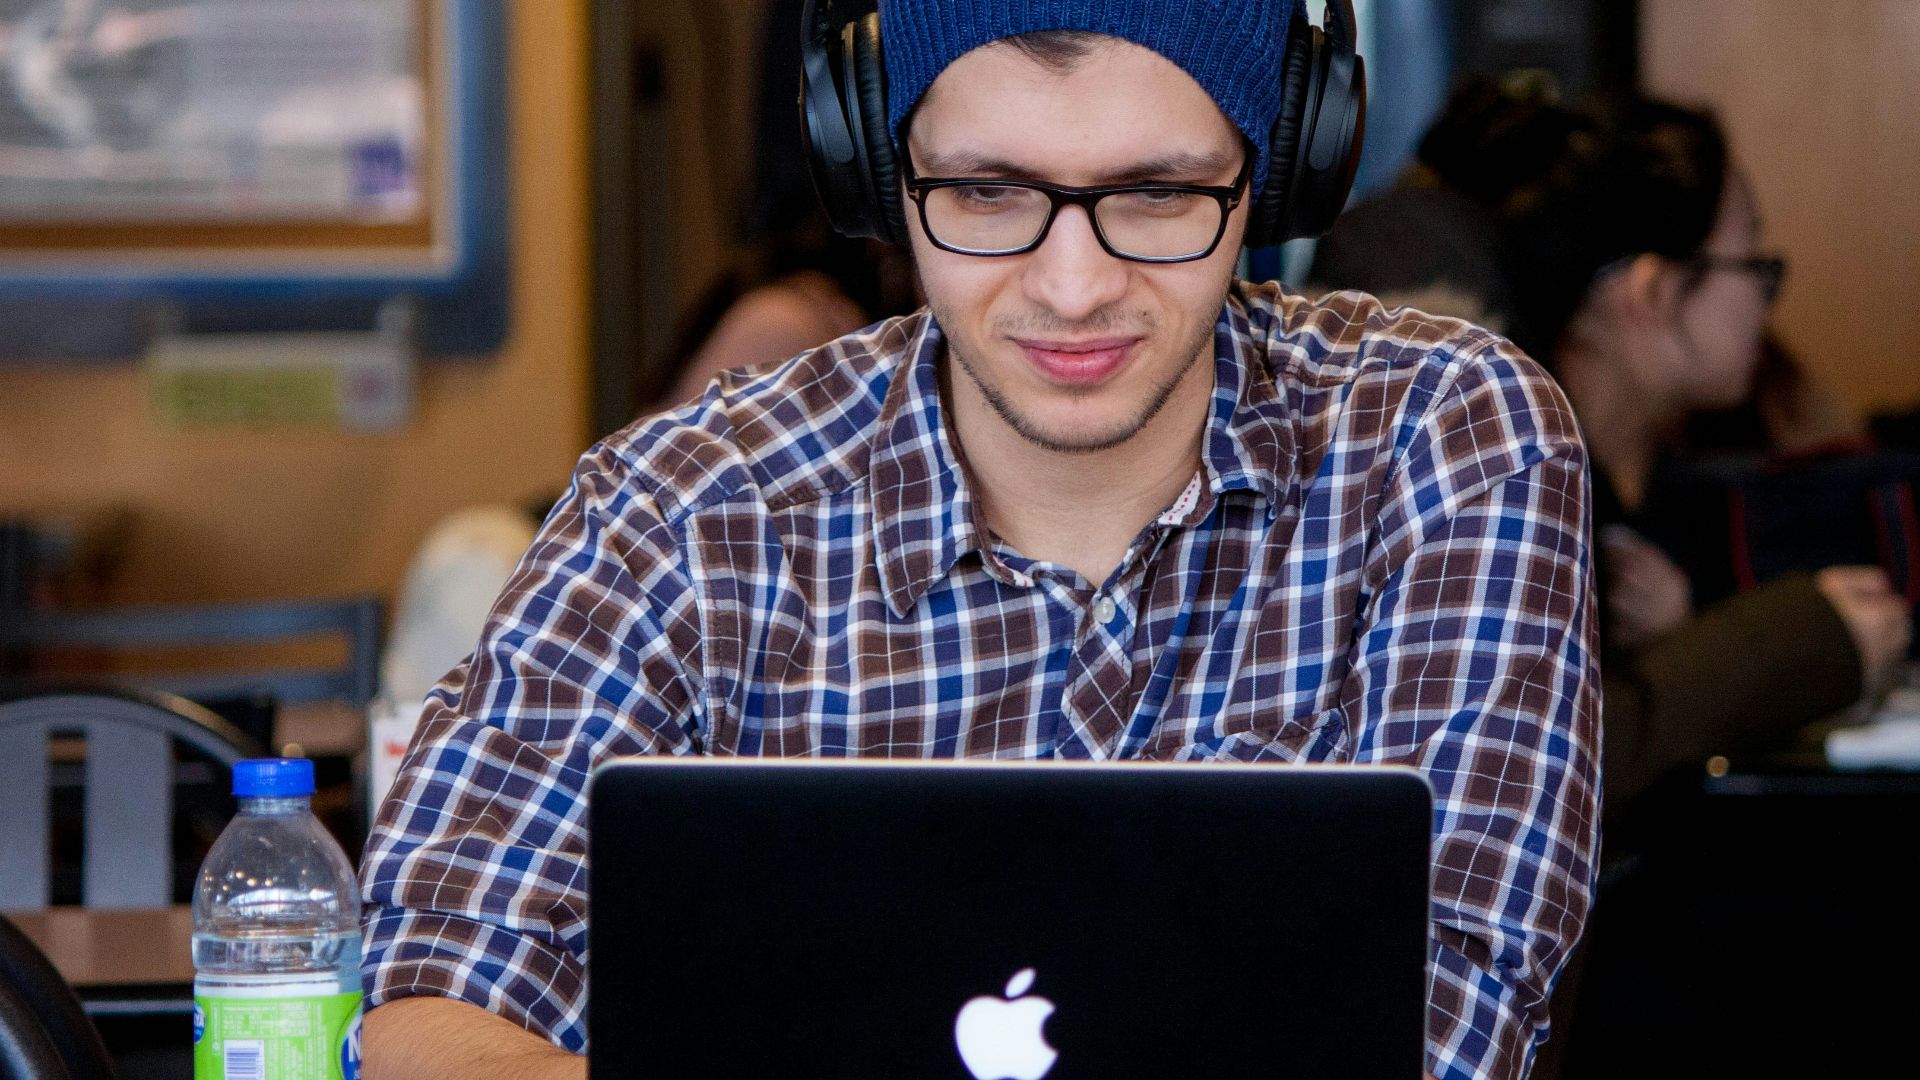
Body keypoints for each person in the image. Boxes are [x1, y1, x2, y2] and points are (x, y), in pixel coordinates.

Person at [359, 6, 1600, 1079]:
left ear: (1275, 170)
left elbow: (1448, 1030)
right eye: (988, 195)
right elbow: (432, 1000)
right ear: (881, 176)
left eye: (1158, 194)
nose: (1072, 287)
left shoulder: (1443, 441)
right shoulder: (689, 501)